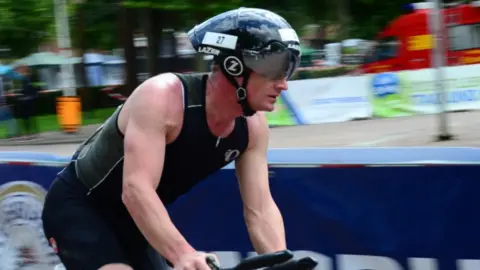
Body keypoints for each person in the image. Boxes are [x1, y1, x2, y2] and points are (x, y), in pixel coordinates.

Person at [41, 7, 301, 270]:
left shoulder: (253, 126)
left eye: (289, 69)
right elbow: (135, 190)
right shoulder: (163, 97)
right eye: (275, 69)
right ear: (234, 65)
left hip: (137, 221)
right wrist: (183, 254)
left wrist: (281, 261)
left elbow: (260, 210)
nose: (284, 84)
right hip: (81, 208)